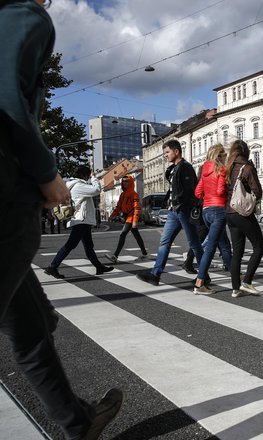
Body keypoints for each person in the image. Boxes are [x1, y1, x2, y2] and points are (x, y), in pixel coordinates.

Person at [0, 1, 123, 438]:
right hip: (6, 200)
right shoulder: (23, 16)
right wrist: (48, 176)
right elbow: (8, 95)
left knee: (35, 326)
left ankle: (78, 423)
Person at [136, 139, 204, 286]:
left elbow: (189, 191)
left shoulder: (185, 168)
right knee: (165, 242)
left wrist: (182, 206)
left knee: (194, 243)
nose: (165, 155)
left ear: (176, 151)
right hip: (173, 211)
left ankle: (204, 276)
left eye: (167, 152)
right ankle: (155, 274)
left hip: (183, 211)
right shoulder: (172, 169)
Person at [44, 165, 115, 279]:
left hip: (82, 219)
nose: (88, 178)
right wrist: (94, 178)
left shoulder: (73, 185)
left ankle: (99, 267)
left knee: (88, 246)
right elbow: (96, 190)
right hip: (81, 220)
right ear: (83, 175)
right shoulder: (78, 186)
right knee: (70, 245)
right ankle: (52, 267)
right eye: (87, 176)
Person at [225, 140, 263, 297]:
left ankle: (235, 288)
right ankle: (247, 282)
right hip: (242, 213)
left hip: (229, 213)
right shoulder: (247, 168)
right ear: (246, 152)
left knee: (237, 252)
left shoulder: (228, 168)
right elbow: (258, 192)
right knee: (259, 247)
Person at [192, 144, 229, 295]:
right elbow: (220, 190)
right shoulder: (221, 169)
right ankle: (199, 282)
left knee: (225, 245)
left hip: (206, 211)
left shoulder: (204, 170)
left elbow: (197, 192)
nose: (225, 158)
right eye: (224, 156)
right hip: (218, 210)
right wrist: (226, 187)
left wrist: (207, 197)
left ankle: (237, 276)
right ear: (219, 156)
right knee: (211, 247)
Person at [105, 175, 149, 263]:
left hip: (131, 217)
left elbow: (137, 208)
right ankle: (144, 254)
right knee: (137, 236)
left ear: (131, 182)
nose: (125, 183)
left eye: (127, 181)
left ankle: (115, 256)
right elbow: (118, 207)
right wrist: (112, 215)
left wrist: (135, 220)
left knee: (123, 234)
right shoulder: (122, 194)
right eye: (123, 181)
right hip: (127, 217)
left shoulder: (134, 194)